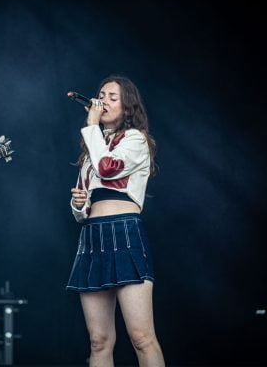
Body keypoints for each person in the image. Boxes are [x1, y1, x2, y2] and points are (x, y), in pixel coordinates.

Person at [67, 75, 165, 366]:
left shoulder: (135, 140)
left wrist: (91, 125)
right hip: (92, 236)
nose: (103, 101)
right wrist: (77, 204)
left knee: (142, 337)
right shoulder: (91, 152)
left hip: (124, 231)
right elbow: (80, 207)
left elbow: (109, 168)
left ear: (128, 106)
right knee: (99, 340)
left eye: (112, 97)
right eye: (101, 95)